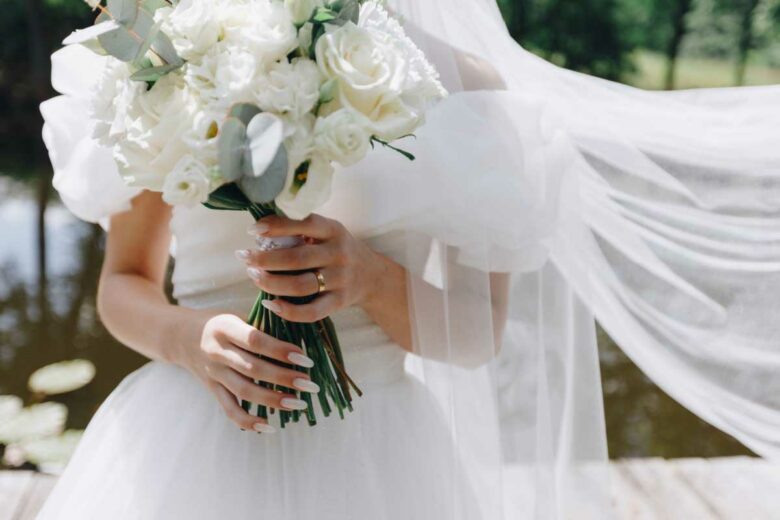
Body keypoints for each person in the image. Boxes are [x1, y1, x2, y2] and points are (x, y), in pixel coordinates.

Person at [37, 1, 780, 518]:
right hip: (190, 442)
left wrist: (370, 277)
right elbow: (123, 284)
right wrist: (184, 340)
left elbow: (475, 336)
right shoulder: (174, 54)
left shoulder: (471, 92)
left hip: (376, 448)